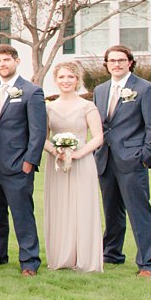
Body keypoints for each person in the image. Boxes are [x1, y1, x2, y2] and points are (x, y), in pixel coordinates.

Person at [93, 44, 151, 276]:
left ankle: (147, 263)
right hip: (105, 159)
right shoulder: (101, 90)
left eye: (121, 60)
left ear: (130, 62)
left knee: (139, 211)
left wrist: (144, 158)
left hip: (132, 160)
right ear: (106, 64)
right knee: (111, 210)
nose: (116, 64)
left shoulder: (145, 89)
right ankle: (112, 253)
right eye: (112, 61)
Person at [0, 44, 46, 276]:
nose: (2, 64)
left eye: (7, 60)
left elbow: (38, 131)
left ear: (17, 61)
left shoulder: (31, 91)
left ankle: (29, 260)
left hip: (18, 164)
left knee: (22, 213)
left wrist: (30, 161)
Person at [43, 61, 104, 273]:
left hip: (82, 162)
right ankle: (62, 256)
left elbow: (98, 137)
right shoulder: (48, 107)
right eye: (61, 77)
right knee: (60, 206)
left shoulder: (87, 106)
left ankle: (85, 257)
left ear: (77, 80)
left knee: (82, 206)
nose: (66, 81)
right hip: (57, 164)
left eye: (70, 77)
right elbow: (42, 138)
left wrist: (78, 153)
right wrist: (55, 152)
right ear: (56, 80)